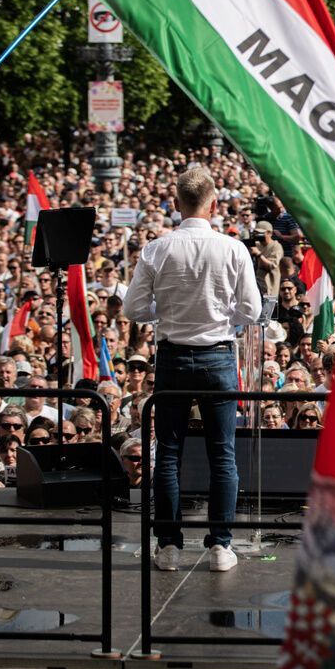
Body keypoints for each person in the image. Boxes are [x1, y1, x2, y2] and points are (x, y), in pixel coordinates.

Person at [125, 167, 263, 574]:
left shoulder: (157, 249)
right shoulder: (233, 249)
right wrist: (223, 316)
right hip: (217, 357)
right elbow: (252, 311)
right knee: (223, 455)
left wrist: (165, 313)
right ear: (214, 203)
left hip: (172, 356)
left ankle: (168, 547)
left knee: (168, 454)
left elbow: (134, 310)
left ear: (176, 202)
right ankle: (220, 545)